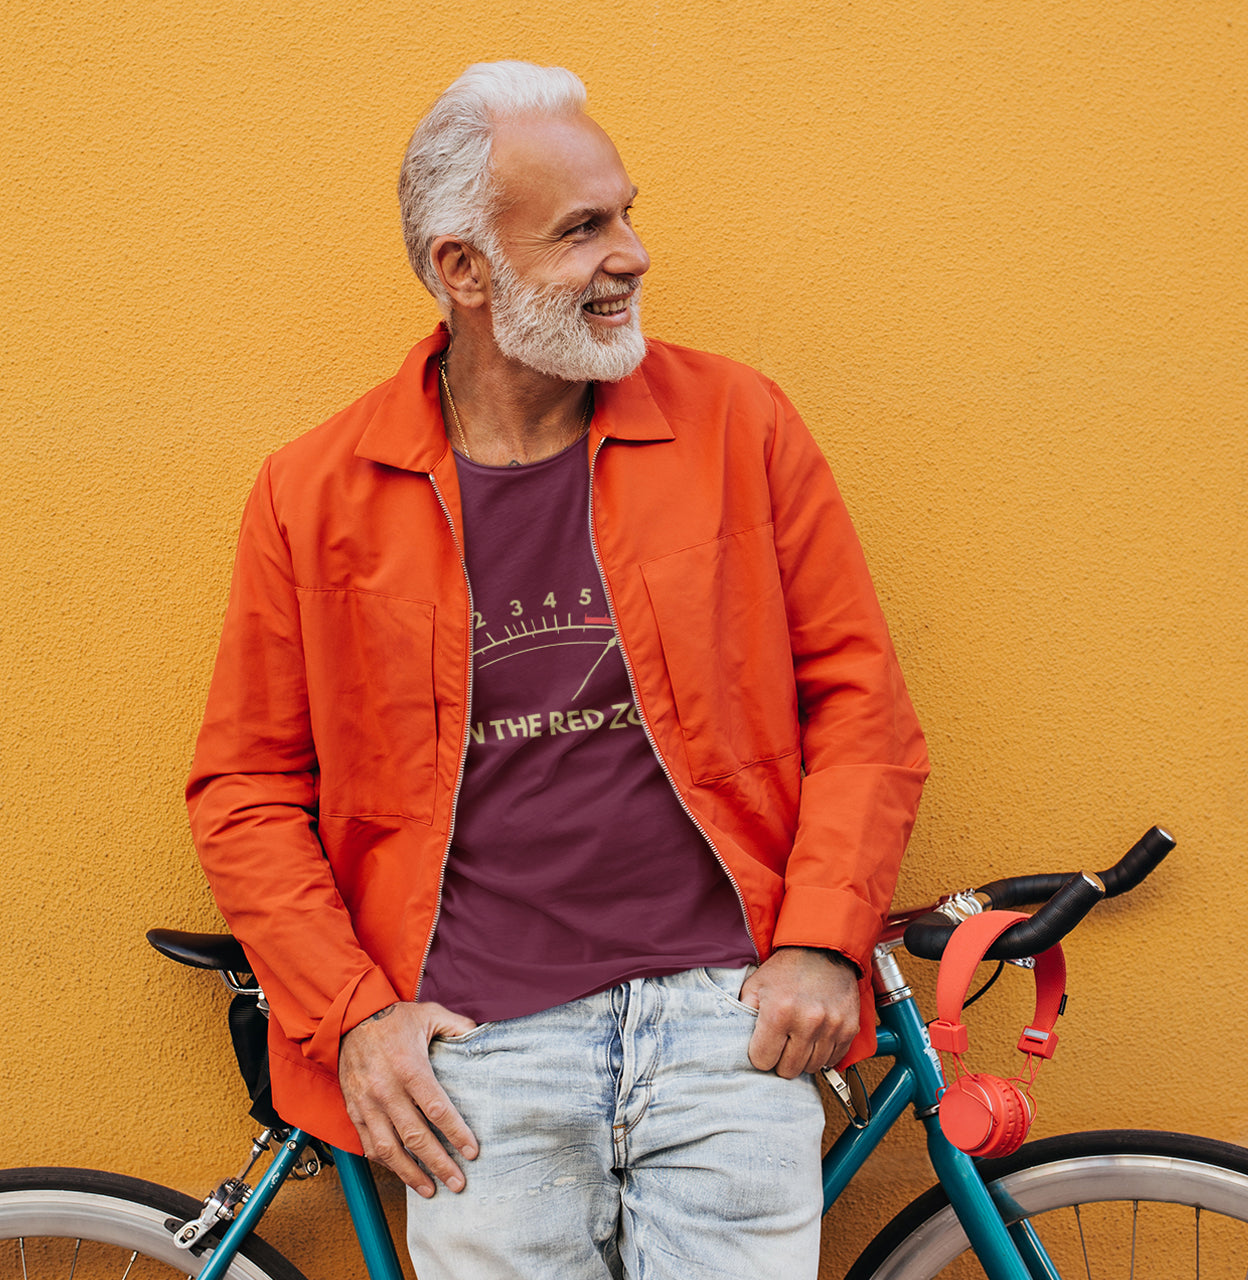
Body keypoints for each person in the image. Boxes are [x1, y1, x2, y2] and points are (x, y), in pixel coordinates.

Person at [187, 60, 929, 1280]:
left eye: (626, 213)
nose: (630, 253)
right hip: (477, 1046)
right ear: (462, 270)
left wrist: (819, 939)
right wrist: (355, 1014)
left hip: (726, 1024)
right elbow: (245, 789)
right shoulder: (314, 493)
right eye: (583, 228)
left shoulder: (739, 425)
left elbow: (859, 705)